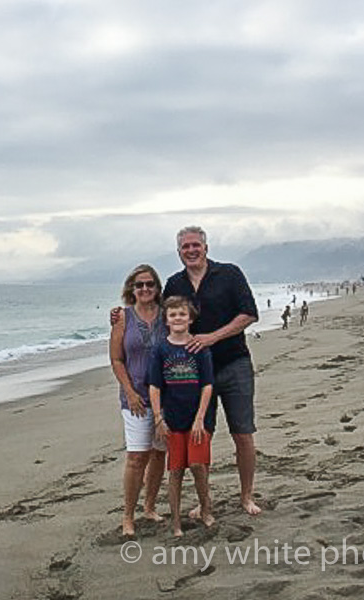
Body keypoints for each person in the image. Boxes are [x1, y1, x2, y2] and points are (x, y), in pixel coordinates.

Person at [111, 226, 262, 516]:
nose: (191, 250)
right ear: (179, 252)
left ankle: (246, 496)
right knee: (199, 435)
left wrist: (212, 337)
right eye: (185, 247)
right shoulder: (175, 283)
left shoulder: (230, 274)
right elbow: (156, 311)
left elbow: (249, 314)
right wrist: (121, 314)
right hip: (191, 374)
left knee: (242, 432)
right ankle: (204, 501)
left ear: (206, 247)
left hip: (233, 364)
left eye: (196, 245)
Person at [148, 296, 215, 536]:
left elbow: (207, 385)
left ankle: (205, 509)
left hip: (197, 419)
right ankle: (176, 522)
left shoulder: (199, 348)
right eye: (173, 314)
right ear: (166, 320)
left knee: (198, 465)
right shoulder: (160, 349)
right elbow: (154, 387)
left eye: (182, 314)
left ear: (190, 318)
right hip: (172, 421)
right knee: (175, 471)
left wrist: (200, 418)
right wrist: (158, 418)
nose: (178, 318)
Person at [109, 264, 168, 537]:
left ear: (157, 287)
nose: (145, 289)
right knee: (136, 457)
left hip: (166, 397)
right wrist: (130, 392)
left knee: (158, 453)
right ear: (131, 289)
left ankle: (150, 506)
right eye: (139, 284)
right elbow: (116, 359)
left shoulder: (167, 315)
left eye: (149, 284)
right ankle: (128, 516)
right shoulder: (123, 317)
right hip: (135, 399)